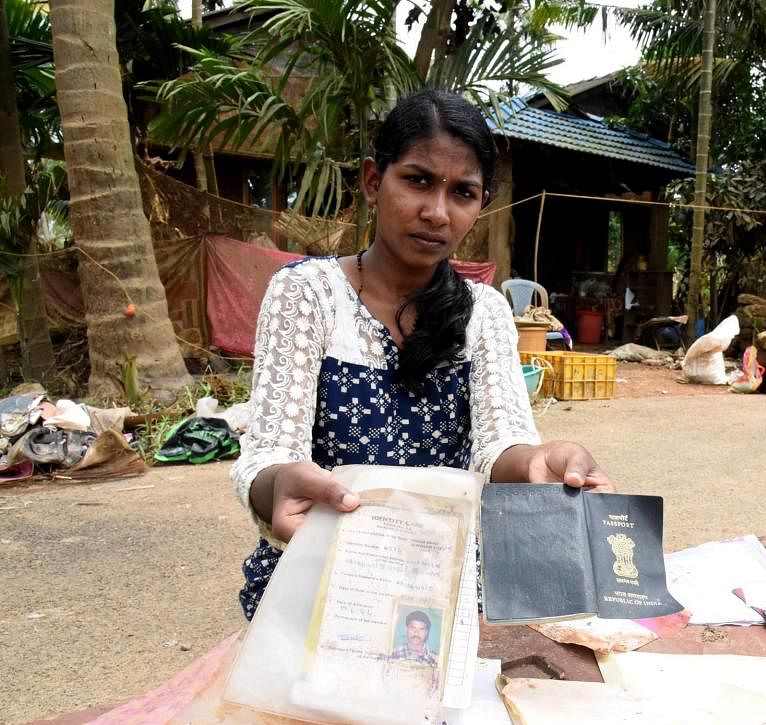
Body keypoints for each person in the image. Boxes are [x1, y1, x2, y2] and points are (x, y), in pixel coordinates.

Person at [231, 89, 613, 619]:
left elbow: (499, 444)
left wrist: (537, 463)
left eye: (463, 192)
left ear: (480, 205)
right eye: (417, 180)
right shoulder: (309, 294)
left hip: (441, 585)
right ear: (372, 180)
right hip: (325, 578)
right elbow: (269, 454)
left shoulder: (484, 312)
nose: (436, 212)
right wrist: (276, 484)